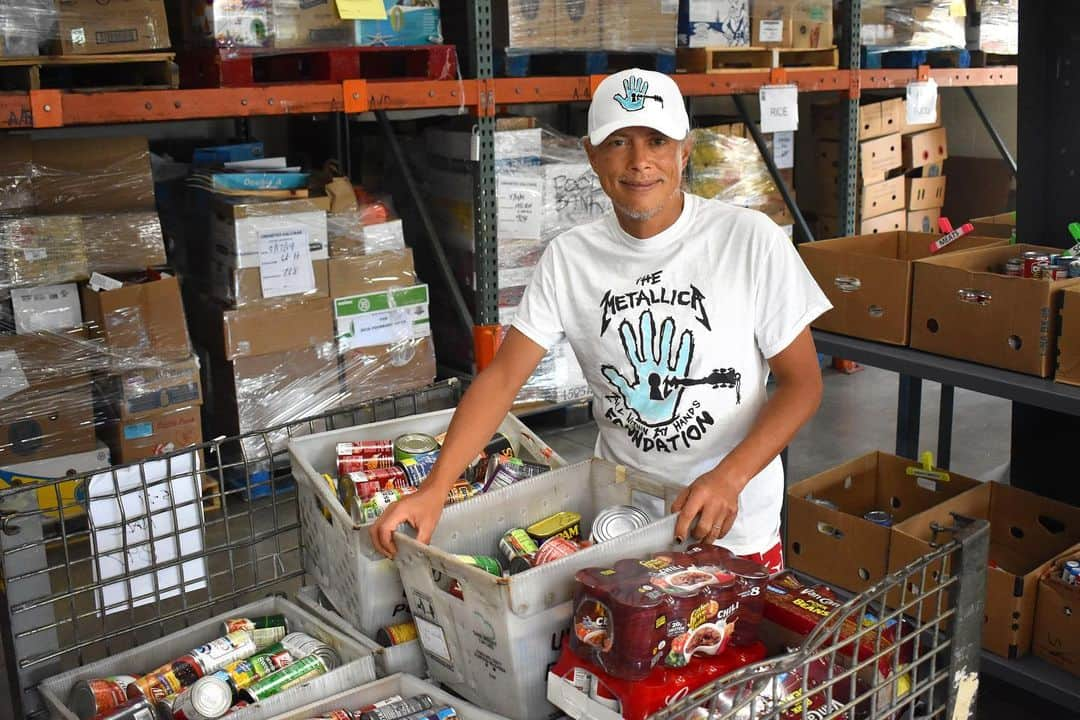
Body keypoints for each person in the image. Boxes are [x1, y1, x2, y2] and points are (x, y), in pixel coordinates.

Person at [372, 68, 832, 572]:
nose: (639, 162)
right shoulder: (571, 257)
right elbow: (503, 379)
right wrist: (435, 490)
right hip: (624, 526)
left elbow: (802, 383)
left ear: (684, 150)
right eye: (618, 142)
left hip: (734, 529)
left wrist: (731, 477)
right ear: (592, 155)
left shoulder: (749, 240)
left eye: (657, 140)